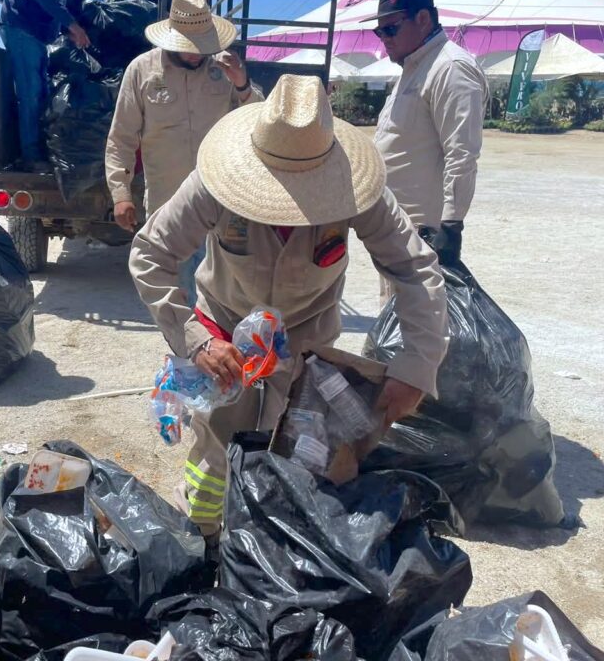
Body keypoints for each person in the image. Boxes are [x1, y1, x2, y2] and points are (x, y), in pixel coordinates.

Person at [129, 75, 449, 536]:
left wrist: (416, 366)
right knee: (216, 454)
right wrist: (195, 341)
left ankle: (275, 545)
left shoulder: (358, 191)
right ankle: (205, 534)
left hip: (306, 342)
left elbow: (415, 269)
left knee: (305, 455)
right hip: (225, 338)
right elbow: (150, 254)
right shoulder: (213, 183)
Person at [106, 0, 261, 302]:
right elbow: (122, 137)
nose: (195, 55)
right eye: (188, 47)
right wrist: (121, 194)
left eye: (201, 46)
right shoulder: (142, 71)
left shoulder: (225, 69)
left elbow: (257, 123)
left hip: (219, 202)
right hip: (168, 205)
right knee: (174, 295)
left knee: (222, 294)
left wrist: (243, 84)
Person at [364, 0, 488, 296]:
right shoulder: (415, 68)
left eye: (391, 29)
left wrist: (451, 227)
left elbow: (462, 153)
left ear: (422, 19)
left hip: (423, 235)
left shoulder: (451, 68)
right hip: (395, 229)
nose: (384, 39)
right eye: (379, 32)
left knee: (418, 321)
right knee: (395, 316)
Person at [1, 0, 96, 173]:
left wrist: (67, 29)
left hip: (36, 33)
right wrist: (73, 26)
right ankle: (31, 157)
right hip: (22, 28)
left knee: (41, 92)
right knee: (31, 93)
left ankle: (39, 150)